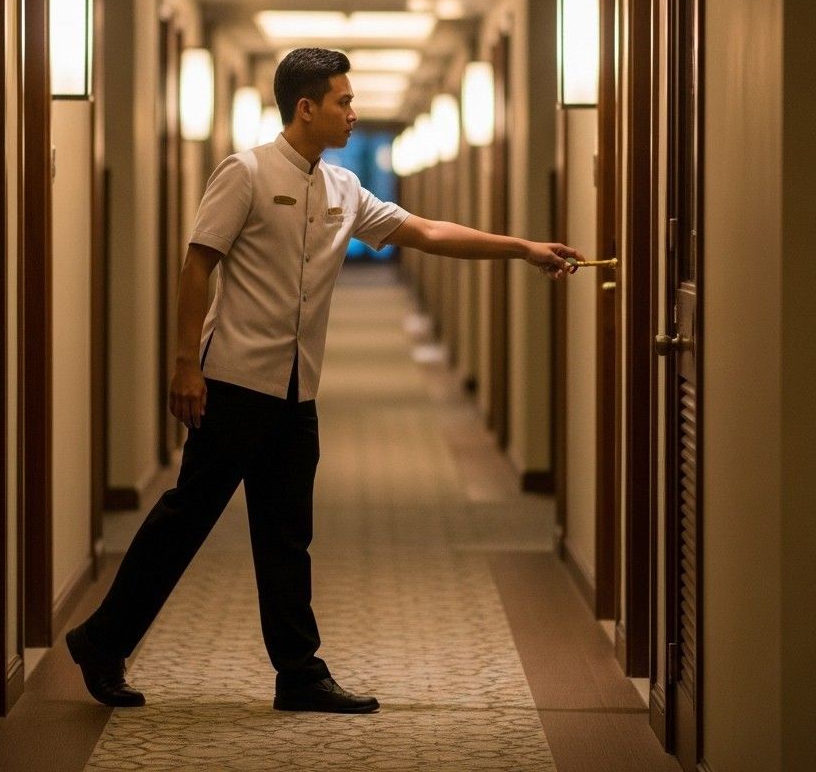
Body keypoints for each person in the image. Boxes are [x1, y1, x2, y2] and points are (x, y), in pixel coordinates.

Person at [66, 47, 584, 714]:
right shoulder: (245, 172)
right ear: (305, 107)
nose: (353, 112)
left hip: (296, 393)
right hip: (232, 384)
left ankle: (299, 675)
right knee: (185, 520)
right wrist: (183, 364)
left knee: (287, 534)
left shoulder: (341, 189)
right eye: (343, 101)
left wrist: (522, 249)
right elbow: (198, 265)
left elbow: (423, 230)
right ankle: (101, 640)